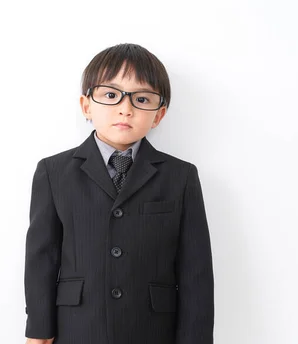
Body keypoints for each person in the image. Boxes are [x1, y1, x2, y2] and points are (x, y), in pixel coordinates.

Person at [23, 43, 214, 344]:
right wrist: (38, 330)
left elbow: (196, 270)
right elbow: (41, 258)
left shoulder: (181, 176)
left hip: (151, 329)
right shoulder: (54, 172)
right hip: (78, 326)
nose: (126, 108)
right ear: (86, 105)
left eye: (141, 99)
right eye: (111, 95)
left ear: (159, 114)